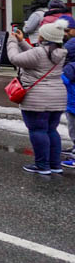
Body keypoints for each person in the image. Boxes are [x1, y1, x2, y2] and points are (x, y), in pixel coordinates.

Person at [6, 21, 68, 174]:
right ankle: (55, 165)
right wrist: (22, 42)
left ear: (44, 37)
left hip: (36, 99)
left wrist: (13, 42)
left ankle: (42, 165)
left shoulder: (39, 53)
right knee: (51, 130)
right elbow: (38, 57)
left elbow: (14, 59)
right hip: (57, 97)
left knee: (38, 130)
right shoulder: (60, 52)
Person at [60, 16, 75, 166]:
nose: (65, 33)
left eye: (67, 30)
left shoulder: (70, 67)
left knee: (73, 125)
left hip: (72, 101)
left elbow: (62, 81)